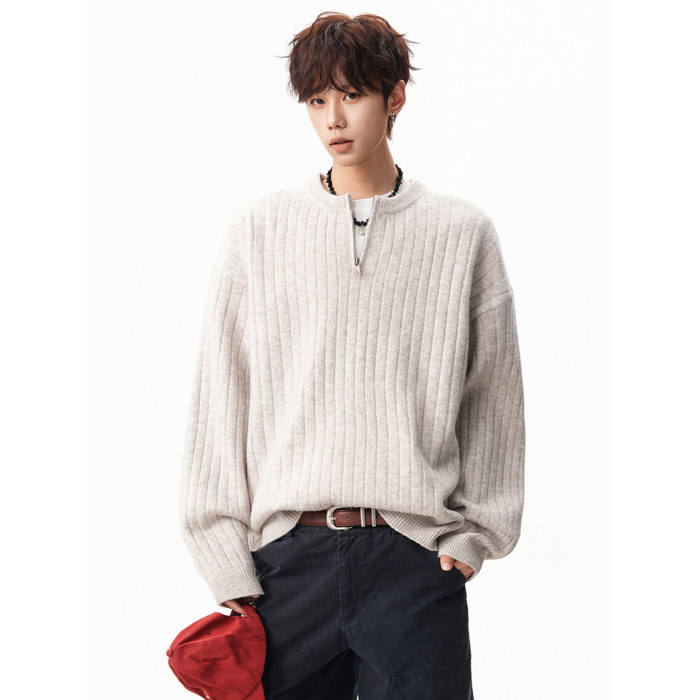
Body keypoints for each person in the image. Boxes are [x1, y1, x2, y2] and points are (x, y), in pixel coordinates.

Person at [179, 11, 525, 699]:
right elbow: (221, 397)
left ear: (395, 96)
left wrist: (474, 535)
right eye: (316, 100)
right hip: (285, 568)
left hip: (414, 559)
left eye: (352, 94)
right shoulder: (258, 232)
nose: (333, 118)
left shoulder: (462, 234)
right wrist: (225, 561)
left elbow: (493, 396)